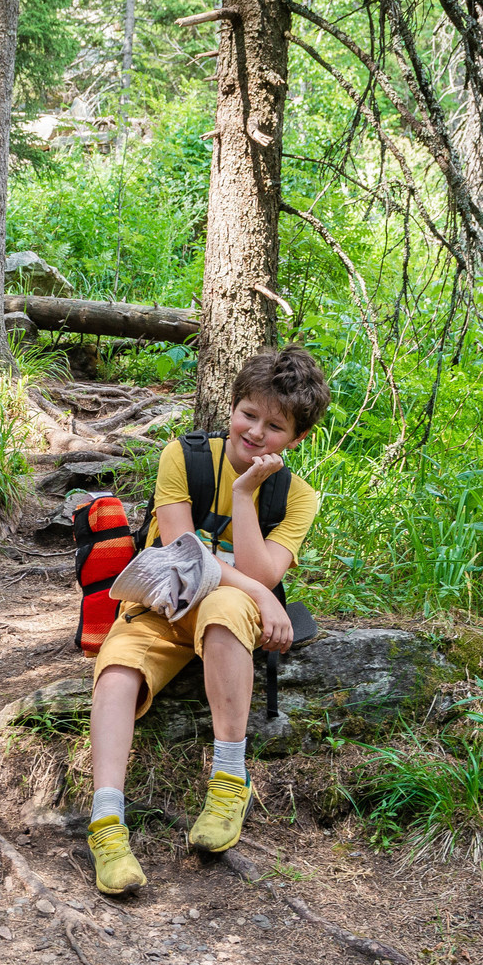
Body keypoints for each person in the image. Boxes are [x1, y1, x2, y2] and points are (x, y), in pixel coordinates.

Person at [85, 345, 328, 895]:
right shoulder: (186, 456)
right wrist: (262, 599)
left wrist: (245, 495)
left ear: (296, 438)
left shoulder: (298, 498)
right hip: (160, 604)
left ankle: (228, 781)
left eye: (275, 425)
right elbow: (182, 552)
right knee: (117, 670)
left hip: (223, 615)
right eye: (248, 413)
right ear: (232, 405)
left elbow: (261, 575)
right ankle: (106, 822)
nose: (256, 432)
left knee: (223, 607)